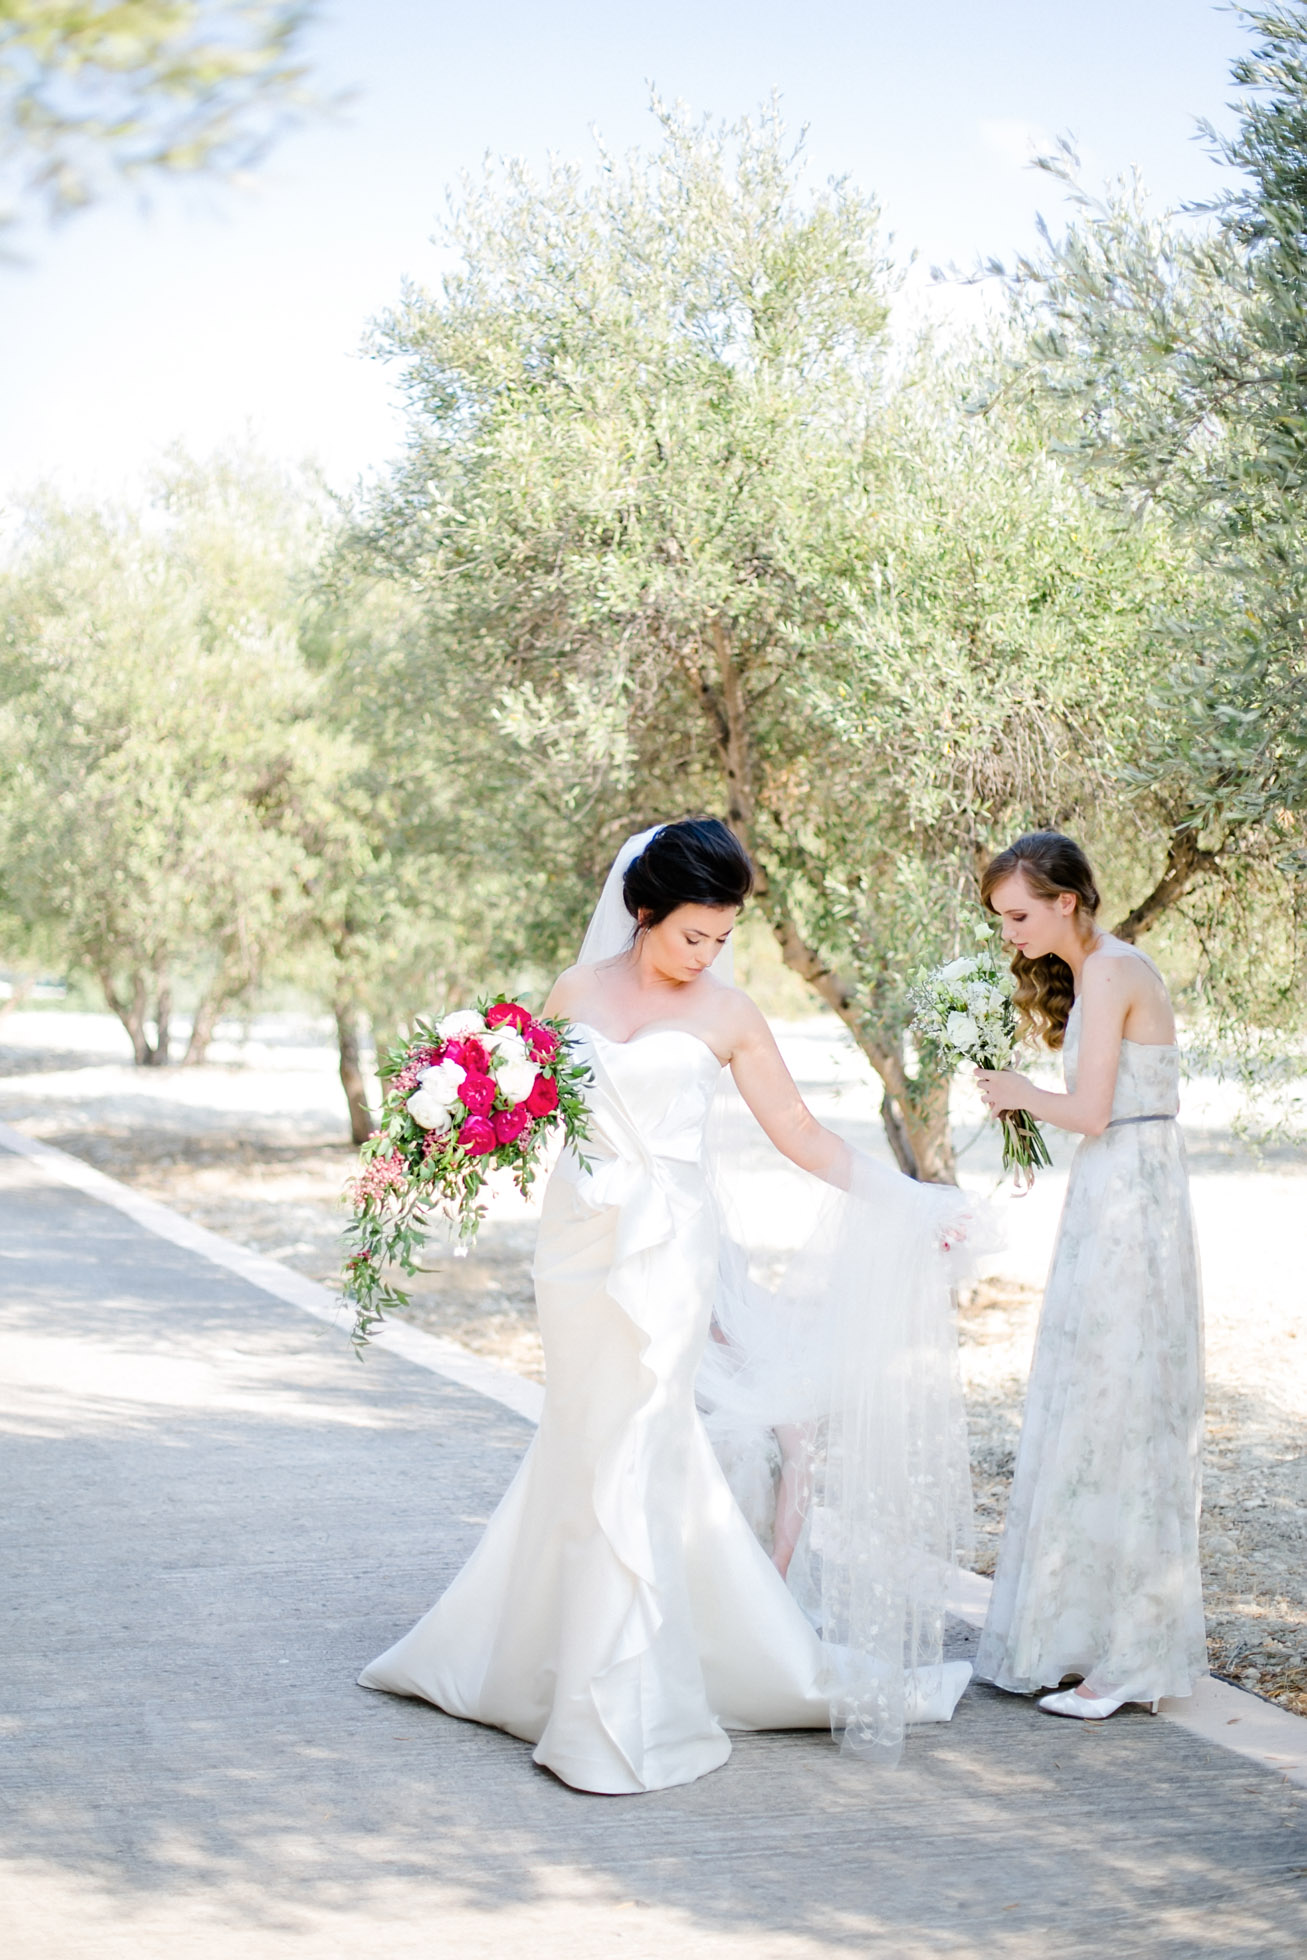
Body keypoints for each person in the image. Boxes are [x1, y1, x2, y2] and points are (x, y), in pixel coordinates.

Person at [359, 818, 977, 1792]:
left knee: (640, 1444)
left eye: (721, 938)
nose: (707, 955)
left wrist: (908, 1202)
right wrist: (448, 1123)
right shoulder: (571, 995)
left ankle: (614, 1704)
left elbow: (802, 1136)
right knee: (580, 1439)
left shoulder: (728, 1015)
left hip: (668, 1259)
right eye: (693, 934)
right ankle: (539, 1664)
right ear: (641, 909)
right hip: (574, 1254)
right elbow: (528, 1115)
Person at [972, 831, 1206, 1720]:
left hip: (1131, 1196)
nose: (1010, 934)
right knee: (1095, 1401)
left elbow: (1095, 1111)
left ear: (1066, 899)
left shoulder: (1110, 970)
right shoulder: (1093, 971)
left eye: (1019, 914)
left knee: (1126, 1405)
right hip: (1116, 1191)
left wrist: (1017, 1091)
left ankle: (1131, 1656)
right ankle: (1079, 1633)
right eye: (1000, 919)